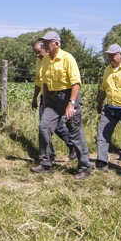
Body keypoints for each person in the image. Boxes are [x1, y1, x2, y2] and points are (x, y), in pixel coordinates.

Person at [31, 32, 92, 178]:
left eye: (46, 43)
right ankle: (46, 163)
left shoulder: (67, 58)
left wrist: (71, 104)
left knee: (75, 132)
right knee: (44, 127)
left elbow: (76, 83)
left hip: (69, 97)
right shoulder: (46, 60)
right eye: (43, 43)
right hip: (52, 98)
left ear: (56, 44)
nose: (43, 46)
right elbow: (45, 83)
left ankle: (84, 167)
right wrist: (44, 103)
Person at [31, 39, 75, 162]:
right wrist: (35, 98)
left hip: (58, 96)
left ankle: (71, 145)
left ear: (46, 48)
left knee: (57, 126)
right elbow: (39, 83)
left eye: (39, 51)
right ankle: (48, 155)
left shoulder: (59, 59)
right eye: (35, 52)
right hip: (45, 97)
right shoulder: (39, 63)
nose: (37, 54)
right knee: (44, 126)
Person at [95, 43, 121, 170]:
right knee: (102, 134)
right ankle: (102, 162)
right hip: (110, 109)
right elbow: (103, 88)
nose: (110, 58)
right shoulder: (107, 69)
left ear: (120, 55)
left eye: (113, 55)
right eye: (108, 56)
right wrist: (100, 103)